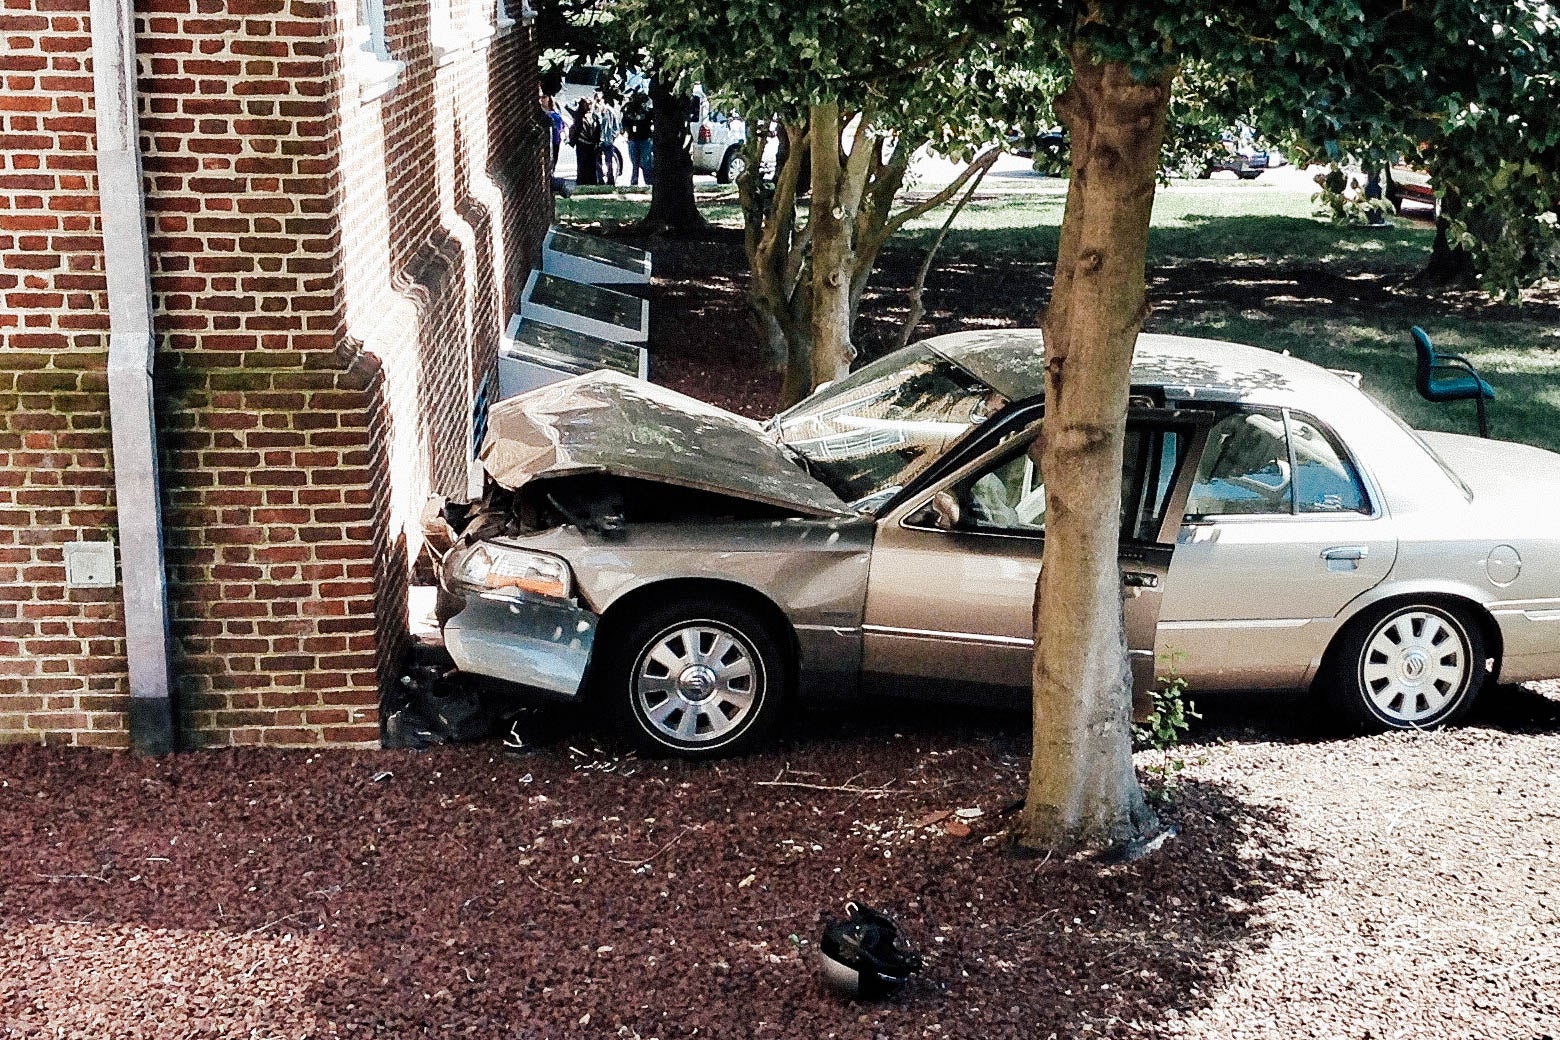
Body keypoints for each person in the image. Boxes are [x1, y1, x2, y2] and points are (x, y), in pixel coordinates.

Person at [622, 92, 654, 186]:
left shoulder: (648, 112)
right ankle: (634, 181)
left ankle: (648, 182)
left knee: (646, 162)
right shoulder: (629, 111)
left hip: (645, 139)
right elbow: (625, 122)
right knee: (635, 162)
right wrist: (626, 132)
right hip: (633, 139)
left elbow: (652, 120)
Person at [569, 97, 601, 185]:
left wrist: (597, 143)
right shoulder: (579, 115)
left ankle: (592, 182)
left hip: (592, 145)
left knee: (592, 166)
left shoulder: (594, 116)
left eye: (590, 104)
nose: (589, 106)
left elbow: (597, 130)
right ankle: (581, 182)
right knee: (582, 165)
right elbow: (567, 106)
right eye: (587, 104)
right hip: (582, 144)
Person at [595, 91, 620, 186]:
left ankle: (610, 179)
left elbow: (616, 126)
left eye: (599, 100)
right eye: (596, 100)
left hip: (607, 141)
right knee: (597, 161)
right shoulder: (594, 111)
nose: (598, 102)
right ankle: (599, 179)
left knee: (609, 161)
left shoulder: (610, 111)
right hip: (598, 141)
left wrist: (612, 137)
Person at [540, 93, 564, 173]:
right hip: (551, 138)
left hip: (556, 137)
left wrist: (562, 131)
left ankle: (552, 171)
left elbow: (560, 122)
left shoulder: (555, 110)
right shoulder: (542, 112)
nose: (543, 99)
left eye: (544, 97)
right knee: (551, 156)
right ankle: (551, 172)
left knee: (555, 155)